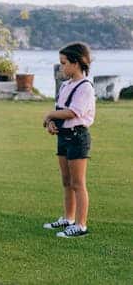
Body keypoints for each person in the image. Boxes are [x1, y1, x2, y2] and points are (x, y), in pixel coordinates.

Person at [42, 42, 95, 238]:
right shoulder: (66, 85)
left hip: (77, 137)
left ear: (76, 63)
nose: (61, 67)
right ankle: (68, 218)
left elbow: (74, 112)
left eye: (64, 63)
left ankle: (81, 225)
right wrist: (50, 122)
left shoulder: (85, 87)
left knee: (78, 183)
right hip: (64, 137)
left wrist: (49, 115)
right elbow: (59, 110)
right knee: (66, 181)